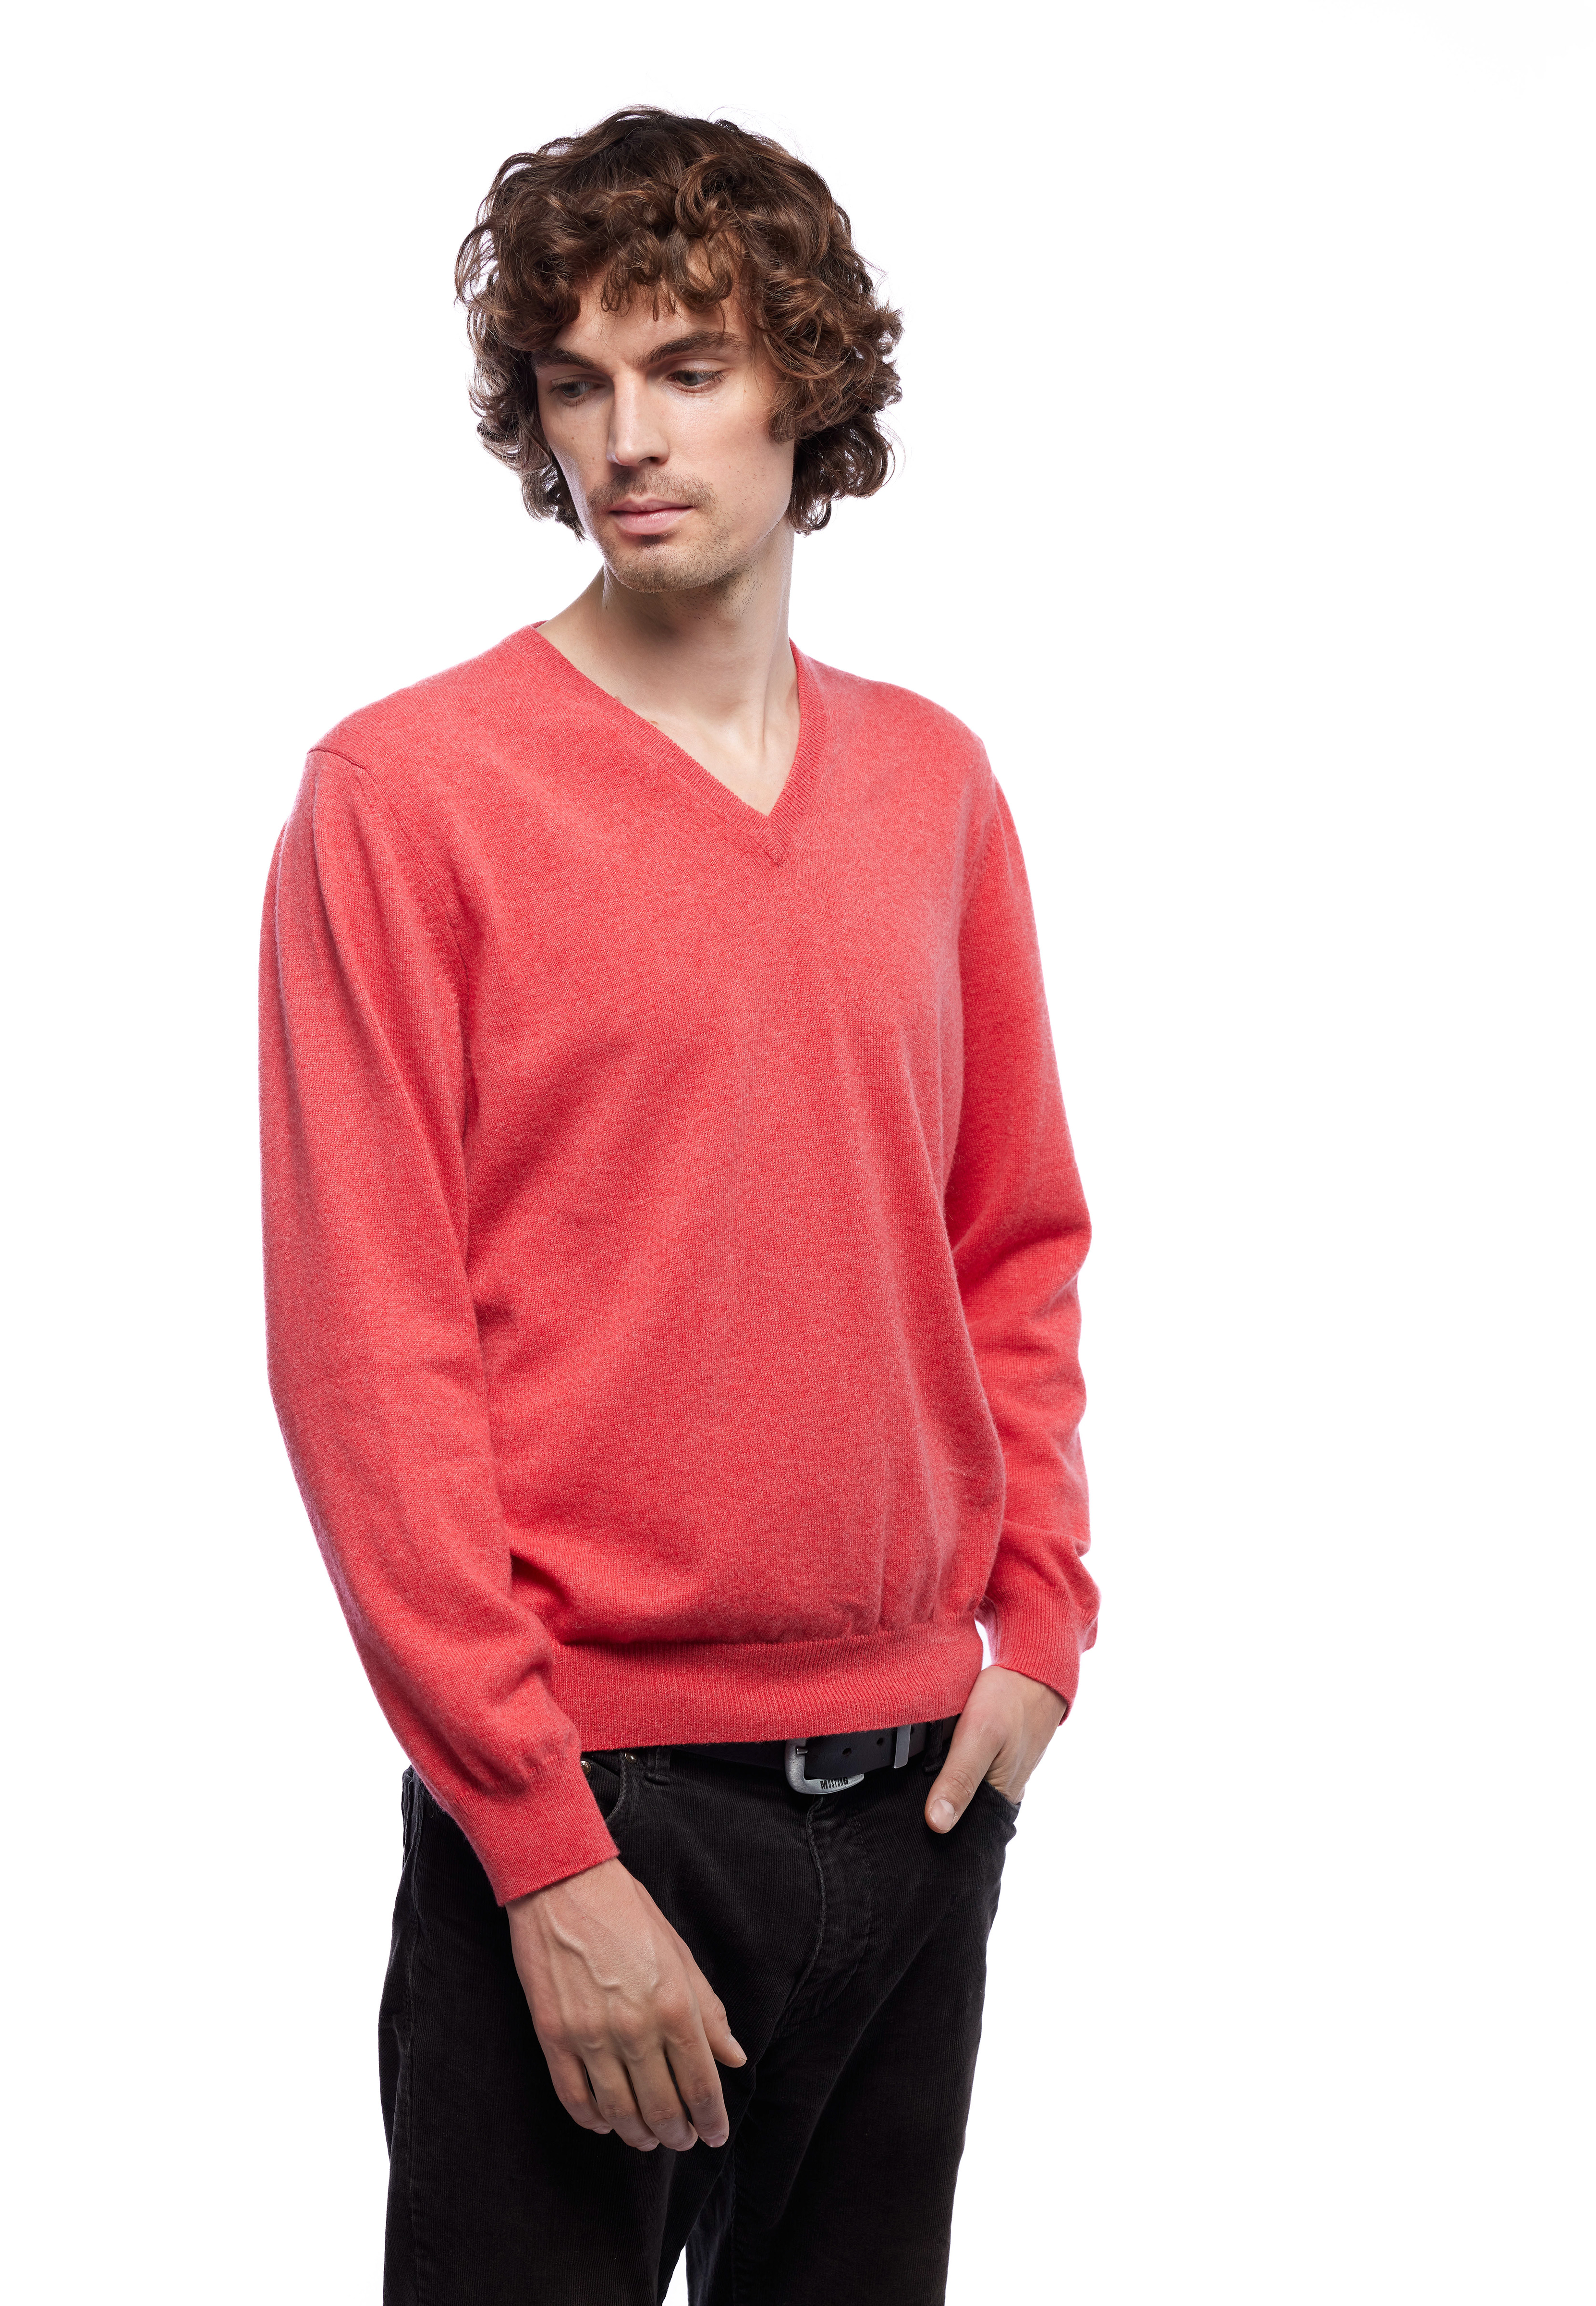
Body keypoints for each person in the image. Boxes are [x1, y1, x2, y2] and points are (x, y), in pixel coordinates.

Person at [259, 106, 1096, 2306]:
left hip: (923, 1794)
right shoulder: (407, 797)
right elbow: (368, 1354)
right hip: (593, 1799)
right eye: (576, 383)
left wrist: (1039, 1634)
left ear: (804, 382)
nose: (626, 439)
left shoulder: (934, 787)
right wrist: (540, 1849)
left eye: (690, 369)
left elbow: (1011, 1242)